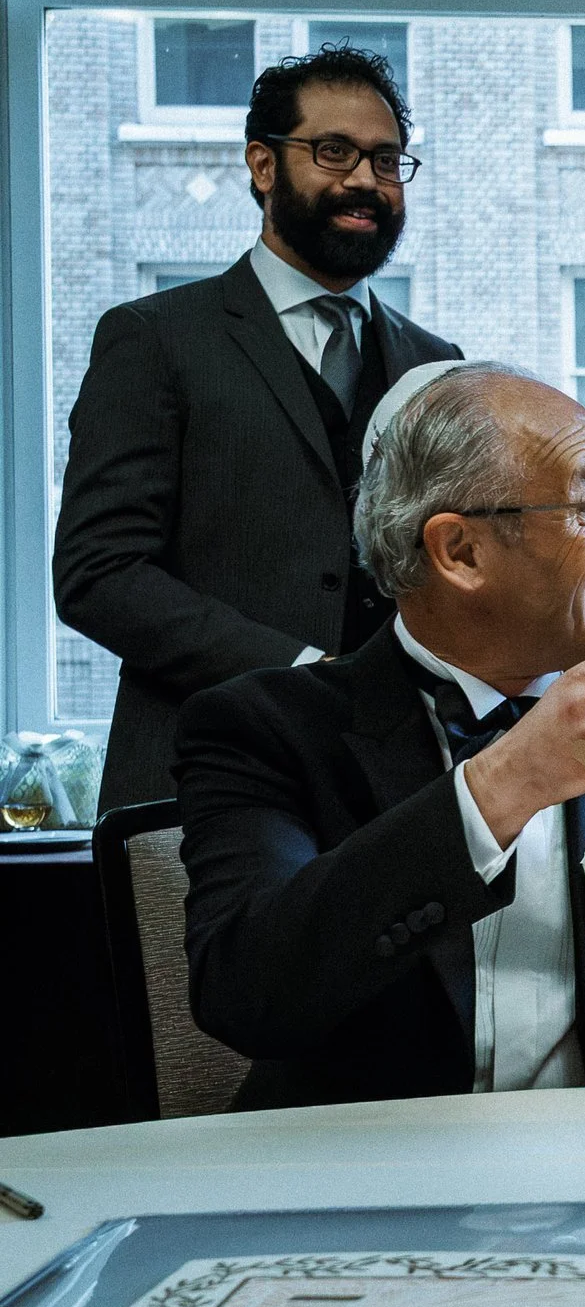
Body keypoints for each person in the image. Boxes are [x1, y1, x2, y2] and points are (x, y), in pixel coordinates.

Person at [175, 366, 585, 1110]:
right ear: (460, 551)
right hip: (364, 1173)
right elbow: (247, 996)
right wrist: (503, 783)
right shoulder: (262, 729)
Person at [56, 45, 462, 811]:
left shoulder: (436, 364)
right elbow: (98, 574)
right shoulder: (154, 338)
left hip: (393, 800)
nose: (365, 180)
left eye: (386, 160)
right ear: (263, 165)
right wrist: (305, 671)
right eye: (333, 151)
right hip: (197, 784)